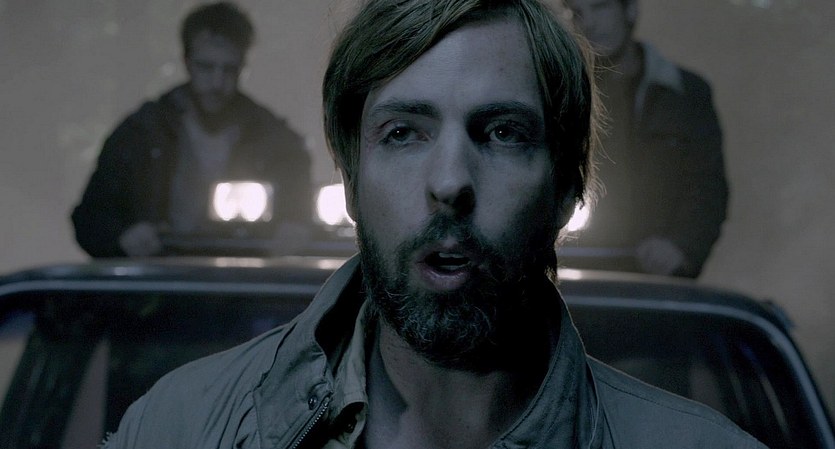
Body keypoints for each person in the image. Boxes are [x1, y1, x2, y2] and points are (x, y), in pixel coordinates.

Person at [102, 0, 765, 448]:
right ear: (351, 179)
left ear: (567, 187)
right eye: (402, 133)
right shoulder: (177, 427)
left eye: (503, 133)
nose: (449, 182)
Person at [71, 2, 313, 258]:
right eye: (206, 67)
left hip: (240, 274)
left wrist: (295, 226)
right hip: (163, 274)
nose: (217, 82)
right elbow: (89, 218)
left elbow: (300, 208)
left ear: (243, 67)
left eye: (229, 69)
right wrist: (122, 236)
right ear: (187, 62)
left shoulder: (274, 138)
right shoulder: (141, 133)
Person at [563, 0, 729, 277]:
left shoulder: (683, 93)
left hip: (651, 273)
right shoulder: (556, 92)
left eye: (600, 7)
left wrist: (681, 246)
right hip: (568, 272)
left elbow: (706, 184)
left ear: (630, 10)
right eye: (577, 13)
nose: (588, 23)